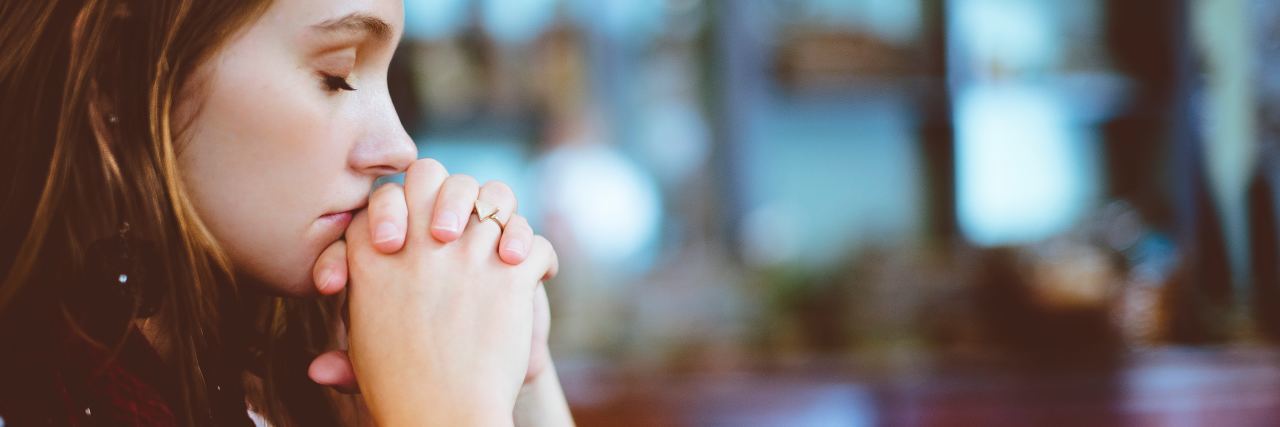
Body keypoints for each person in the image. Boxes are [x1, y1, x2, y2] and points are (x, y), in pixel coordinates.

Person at [0, 0, 573, 425]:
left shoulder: (298, 373)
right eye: (338, 74)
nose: (400, 148)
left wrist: (517, 372)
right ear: (117, 75)